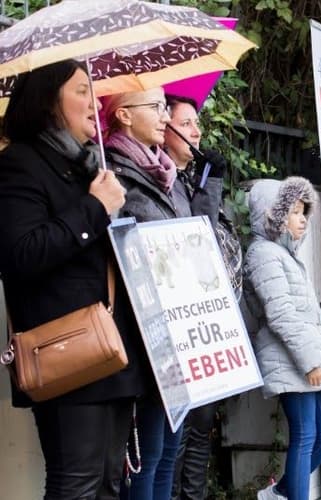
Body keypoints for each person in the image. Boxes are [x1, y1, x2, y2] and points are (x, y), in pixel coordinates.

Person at [0, 59, 146, 499]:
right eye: (81, 90)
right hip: (67, 349)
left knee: (108, 482)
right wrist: (94, 208)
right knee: (76, 483)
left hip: (113, 347)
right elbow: (20, 254)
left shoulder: (89, 167)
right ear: (48, 99)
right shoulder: (18, 164)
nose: (93, 101)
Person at [102, 87, 224, 500]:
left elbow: (198, 242)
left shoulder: (167, 173)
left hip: (182, 330)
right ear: (122, 116)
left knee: (169, 449)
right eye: (154, 108)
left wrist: (211, 184)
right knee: (148, 456)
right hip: (147, 332)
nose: (163, 116)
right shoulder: (114, 174)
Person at [243, 177, 321, 500]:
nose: (303, 219)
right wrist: (311, 360)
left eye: (304, 212)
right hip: (291, 360)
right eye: (295, 212)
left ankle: (281, 491)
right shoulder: (263, 254)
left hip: (306, 358)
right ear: (273, 215)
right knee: (306, 434)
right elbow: (281, 314)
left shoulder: (284, 255)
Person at [162, 94, 236, 500]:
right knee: (176, 435)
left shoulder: (191, 177)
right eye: (186, 123)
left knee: (201, 425)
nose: (197, 132)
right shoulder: (163, 179)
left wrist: (210, 180)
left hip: (207, 322)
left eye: (197, 123)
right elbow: (195, 238)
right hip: (179, 325)